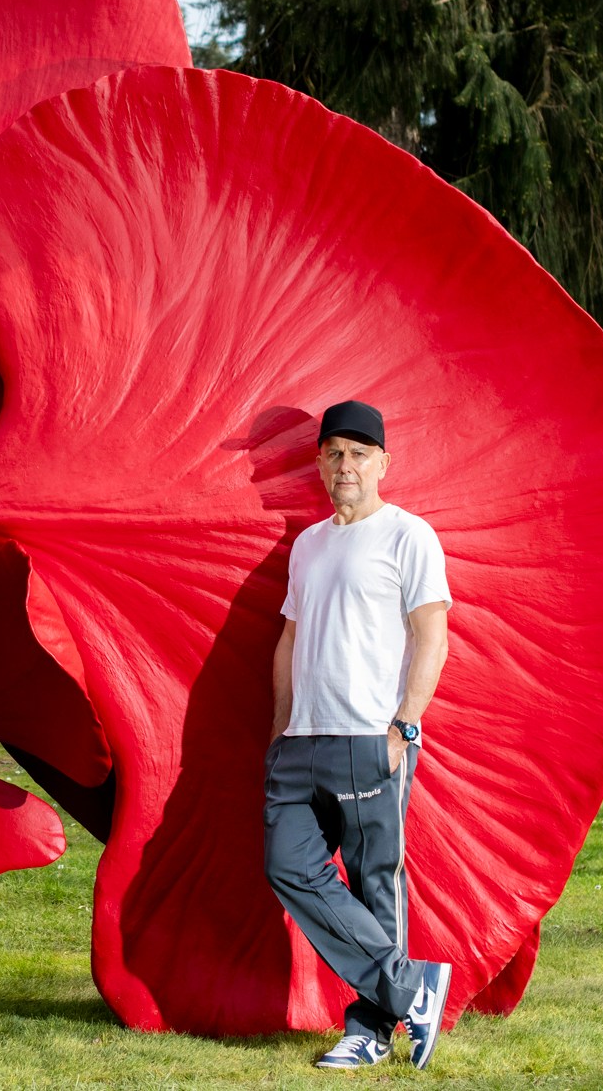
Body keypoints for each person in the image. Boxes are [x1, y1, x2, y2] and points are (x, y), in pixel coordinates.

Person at [267, 400, 453, 1071]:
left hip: (370, 739)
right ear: (320, 463)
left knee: (376, 880)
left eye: (360, 454)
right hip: (301, 741)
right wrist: (280, 728)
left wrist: (404, 725)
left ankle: (371, 1030)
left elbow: (433, 634)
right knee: (287, 866)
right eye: (335, 453)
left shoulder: (408, 536)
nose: (347, 465)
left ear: (384, 463)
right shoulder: (308, 544)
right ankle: (411, 990)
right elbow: (289, 640)